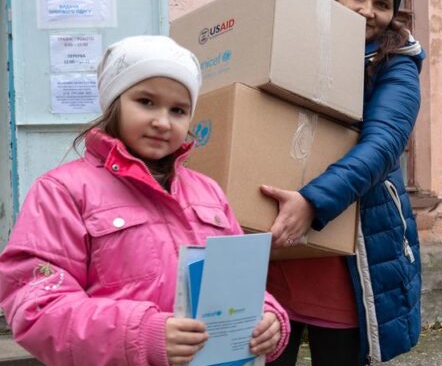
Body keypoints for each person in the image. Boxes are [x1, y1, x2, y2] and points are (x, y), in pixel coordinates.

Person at [0, 36, 290, 366]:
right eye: (146, 102)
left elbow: (239, 281)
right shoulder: (62, 191)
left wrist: (269, 318)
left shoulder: (209, 192)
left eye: (178, 110)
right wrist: (140, 335)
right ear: (113, 103)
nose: (162, 121)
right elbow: (37, 306)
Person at [258, 0, 424, 364]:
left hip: (347, 244)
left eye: (382, 3)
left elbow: (383, 145)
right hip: (274, 239)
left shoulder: (396, 65)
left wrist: (313, 202)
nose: (368, 10)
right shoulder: (298, 43)